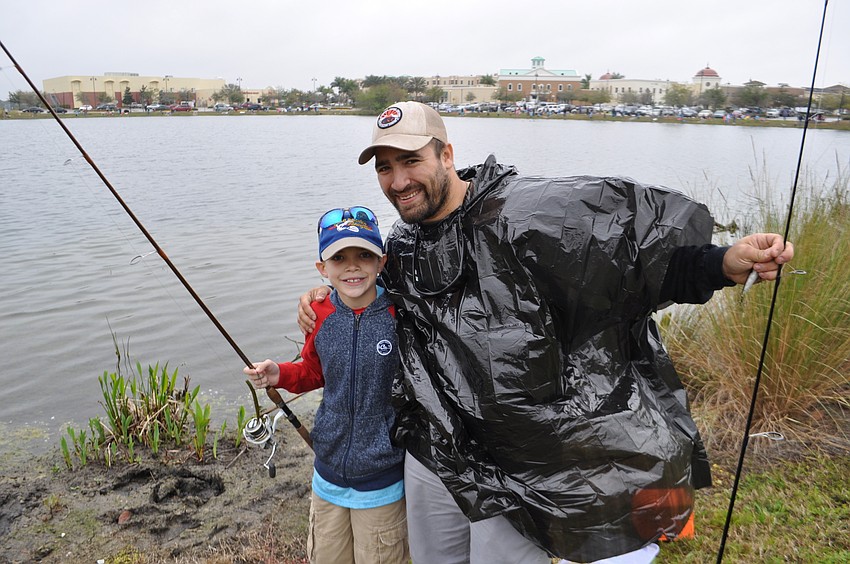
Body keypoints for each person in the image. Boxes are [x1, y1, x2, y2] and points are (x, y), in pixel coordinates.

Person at [297, 102, 794, 563]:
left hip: (522, 457)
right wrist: (322, 300)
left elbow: (631, 254)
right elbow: (368, 290)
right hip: (436, 446)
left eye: (410, 161)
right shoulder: (404, 242)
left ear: (446, 155)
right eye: (385, 167)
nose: (399, 180)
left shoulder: (527, 212)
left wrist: (720, 264)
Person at [246, 206, 409, 564]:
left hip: (383, 479)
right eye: (339, 258)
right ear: (323, 268)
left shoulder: (400, 314)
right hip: (328, 474)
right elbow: (312, 372)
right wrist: (277, 375)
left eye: (364, 255)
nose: (352, 267)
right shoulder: (318, 314)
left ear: (381, 262)